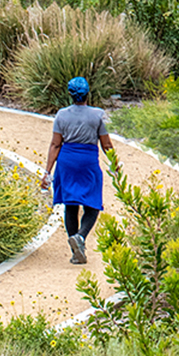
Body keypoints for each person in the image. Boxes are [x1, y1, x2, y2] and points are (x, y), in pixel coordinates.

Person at [40, 77, 113, 265]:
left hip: (67, 161)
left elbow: (56, 144)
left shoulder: (61, 115)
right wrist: (115, 164)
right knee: (93, 204)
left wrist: (47, 172)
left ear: (70, 95)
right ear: (88, 93)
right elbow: (106, 144)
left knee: (70, 205)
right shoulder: (98, 115)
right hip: (88, 161)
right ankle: (80, 237)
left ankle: (75, 249)